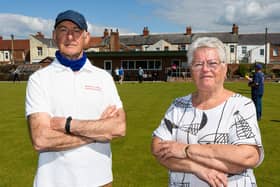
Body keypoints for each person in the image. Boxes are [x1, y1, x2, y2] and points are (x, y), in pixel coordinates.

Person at [25, 10, 126, 187]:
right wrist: (97, 133)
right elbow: (41, 139)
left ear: (86, 37)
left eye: (76, 30)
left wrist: (68, 125)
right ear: (55, 35)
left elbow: (119, 127)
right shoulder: (39, 80)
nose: (70, 36)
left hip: (100, 181)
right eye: (63, 30)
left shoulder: (103, 78)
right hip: (53, 182)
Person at [151, 37, 264, 187]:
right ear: (191, 70)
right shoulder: (178, 105)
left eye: (212, 63)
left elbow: (248, 156)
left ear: (224, 68)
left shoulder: (241, 105)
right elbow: (158, 148)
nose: (205, 69)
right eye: (198, 64)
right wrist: (197, 168)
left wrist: (186, 150)